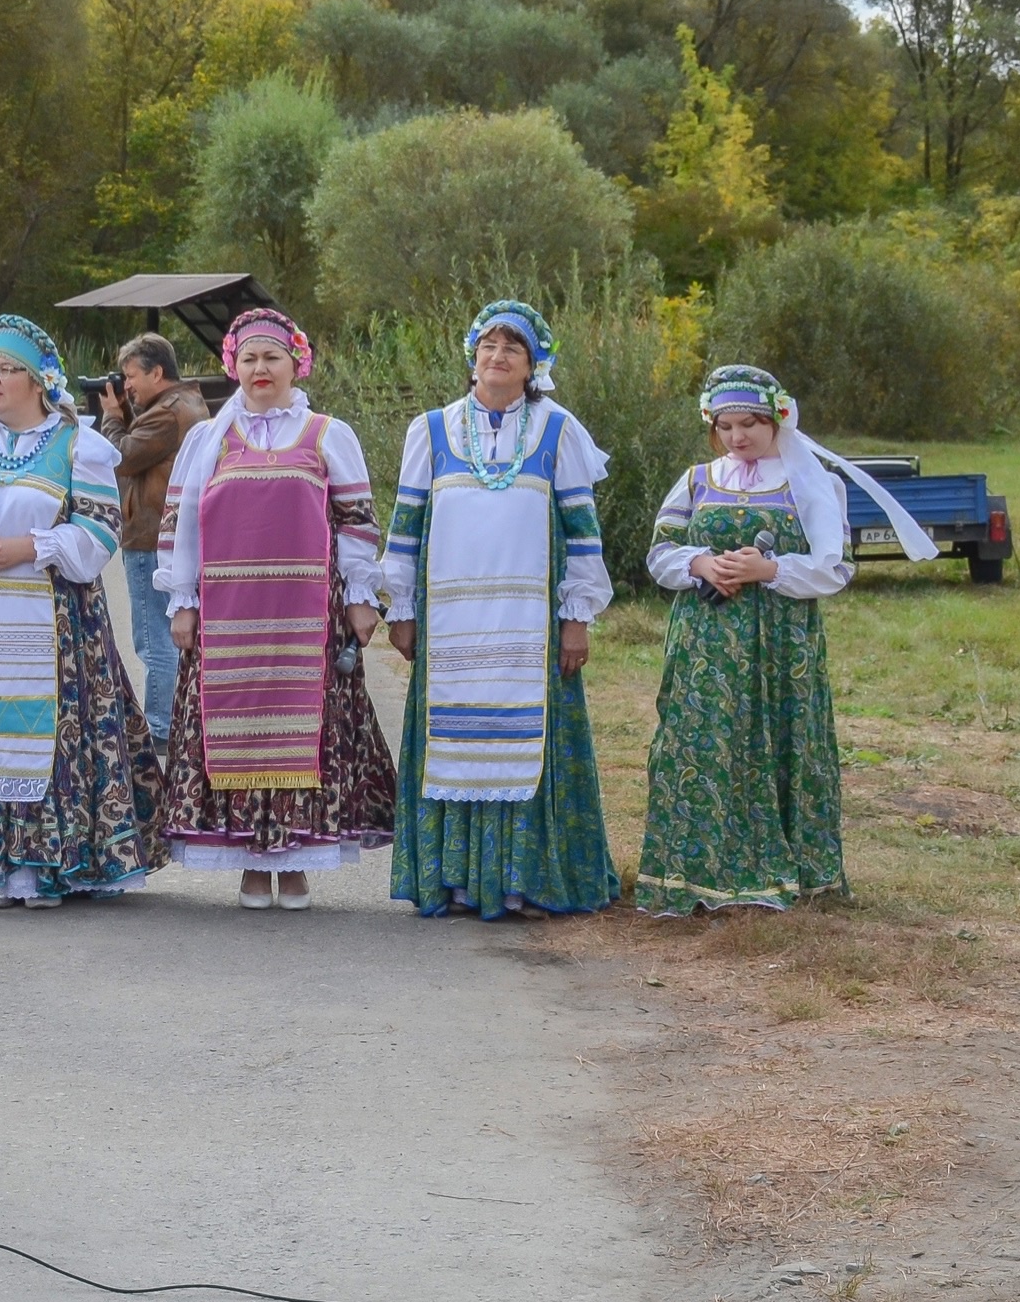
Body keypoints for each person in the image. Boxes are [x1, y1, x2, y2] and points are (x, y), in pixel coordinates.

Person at [636, 365, 936, 916]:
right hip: (708, 647)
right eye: (725, 426)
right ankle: (697, 874)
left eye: (748, 423)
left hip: (782, 648)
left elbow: (837, 569)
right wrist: (702, 563)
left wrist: (768, 571)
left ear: (777, 419)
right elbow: (660, 552)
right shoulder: (698, 480)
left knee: (779, 747)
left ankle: (787, 867)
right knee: (705, 748)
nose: (736, 437)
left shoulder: (815, 484)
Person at [0, 315, 167, 907]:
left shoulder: (77, 443)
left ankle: (51, 866)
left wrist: (24, 548)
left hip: (54, 622)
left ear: (38, 382)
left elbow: (101, 533)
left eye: (8, 370)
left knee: (48, 738)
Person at [155, 307, 397, 909]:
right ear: (232, 365)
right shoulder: (207, 440)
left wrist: (363, 597)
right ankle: (248, 864)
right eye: (249, 358)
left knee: (305, 737)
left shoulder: (326, 434)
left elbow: (357, 523)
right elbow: (179, 525)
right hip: (226, 617)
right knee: (235, 731)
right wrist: (182, 601)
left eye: (272, 357)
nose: (260, 369)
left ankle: (294, 865)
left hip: (308, 616)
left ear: (296, 363)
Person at [384, 301, 618, 921]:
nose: (499, 356)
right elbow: (406, 524)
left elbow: (583, 529)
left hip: (532, 625)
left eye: (513, 347)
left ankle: (526, 879)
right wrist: (400, 605)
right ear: (472, 356)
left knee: (526, 738)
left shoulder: (558, 430)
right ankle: (455, 879)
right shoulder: (431, 429)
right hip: (450, 623)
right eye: (488, 345)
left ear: (534, 363)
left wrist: (577, 617)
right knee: (453, 736)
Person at [95, 333, 208, 751]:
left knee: (154, 637)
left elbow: (119, 458)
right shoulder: (185, 403)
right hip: (171, 536)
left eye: (131, 376)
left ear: (157, 372)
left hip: (149, 537)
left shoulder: (167, 414)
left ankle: (162, 729)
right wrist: (127, 410)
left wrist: (110, 416)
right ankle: (179, 722)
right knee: (172, 633)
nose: (127, 386)